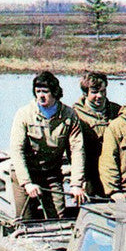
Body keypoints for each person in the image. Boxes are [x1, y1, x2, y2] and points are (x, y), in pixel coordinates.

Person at [8, 71, 85, 221]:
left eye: (45, 92)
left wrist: (76, 184)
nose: (41, 96)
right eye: (38, 92)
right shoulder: (24, 114)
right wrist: (27, 183)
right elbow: (17, 151)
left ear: (55, 93)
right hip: (25, 173)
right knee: (26, 220)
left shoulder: (69, 115)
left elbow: (77, 151)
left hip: (51, 174)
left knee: (58, 217)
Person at [71, 70, 122, 199]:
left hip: (114, 170)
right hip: (89, 171)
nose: (99, 96)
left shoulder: (118, 111)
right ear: (85, 92)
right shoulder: (75, 114)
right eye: (94, 92)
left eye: (103, 91)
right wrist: (80, 179)